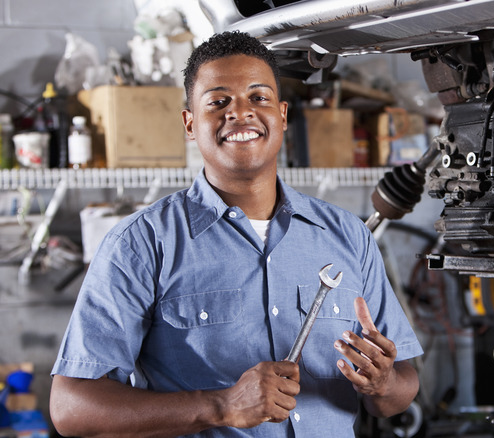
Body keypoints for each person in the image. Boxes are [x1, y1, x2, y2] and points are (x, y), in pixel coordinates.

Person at [49, 30, 423, 437]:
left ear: (281, 115)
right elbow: (72, 408)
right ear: (190, 124)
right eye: (218, 102)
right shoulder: (141, 244)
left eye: (258, 98)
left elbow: (400, 390)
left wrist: (383, 383)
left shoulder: (349, 235)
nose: (240, 113)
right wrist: (220, 405)